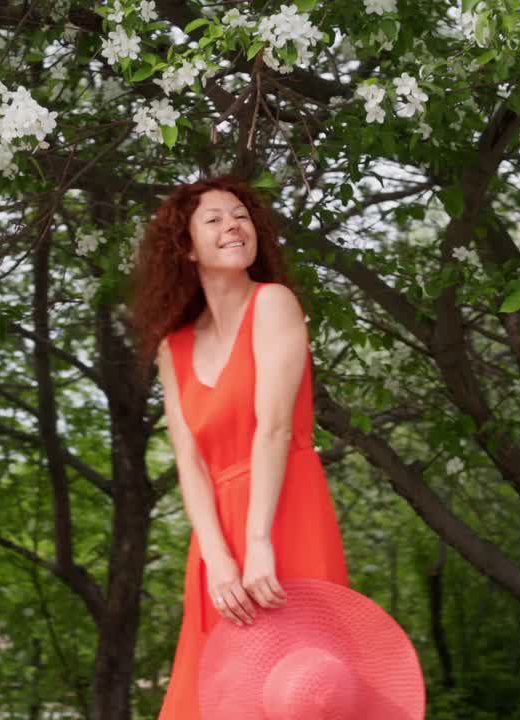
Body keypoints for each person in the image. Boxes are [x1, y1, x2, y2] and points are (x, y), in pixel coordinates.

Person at [130, 175, 349, 719]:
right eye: (214, 219)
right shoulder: (172, 346)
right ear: (186, 247)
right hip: (217, 540)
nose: (233, 226)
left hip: (285, 511)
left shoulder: (274, 303)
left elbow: (273, 429)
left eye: (241, 215)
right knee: (219, 694)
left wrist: (258, 544)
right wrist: (218, 559)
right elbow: (189, 460)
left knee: (299, 685)